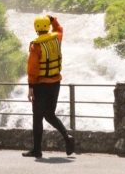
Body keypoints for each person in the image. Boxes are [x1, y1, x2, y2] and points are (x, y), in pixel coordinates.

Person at [22, 15, 75, 158]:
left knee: (38, 117)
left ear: (36, 29)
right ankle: (67, 136)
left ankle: (37, 150)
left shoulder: (36, 45)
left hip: (41, 85)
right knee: (50, 114)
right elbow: (58, 28)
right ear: (47, 26)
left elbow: (32, 69)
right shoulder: (56, 38)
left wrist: (30, 87)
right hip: (55, 82)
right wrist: (53, 20)